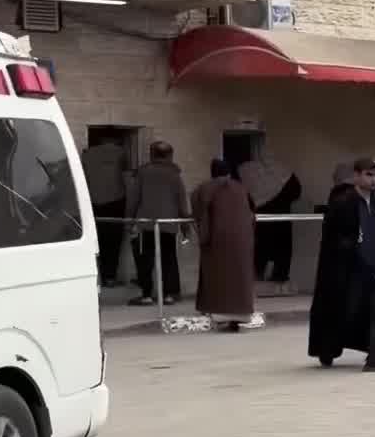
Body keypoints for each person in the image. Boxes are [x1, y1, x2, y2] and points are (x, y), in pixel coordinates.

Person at [308, 157, 375, 372]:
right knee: (345, 311)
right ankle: (328, 349)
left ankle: (374, 357)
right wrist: (350, 248)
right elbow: (333, 237)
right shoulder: (343, 202)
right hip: (353, 270)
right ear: (357, 175)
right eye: (368, 175)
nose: (373, 180)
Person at [191, 158, 258, 333]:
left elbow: (197, 210)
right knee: (240, 277)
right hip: (243, 239)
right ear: (228, 173)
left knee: (218, 277)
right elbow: (253, 210)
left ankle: (220, 315)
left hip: (217, 239)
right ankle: (239, 316)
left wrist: (202, 234)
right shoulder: (241, 188)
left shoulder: (204, 188)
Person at [126, 140, 190, 306]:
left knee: (144, 259)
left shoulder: (143, 173)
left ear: (152, 154)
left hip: (145, 223)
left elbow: (133, 199)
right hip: (169, 224)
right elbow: (182, 203)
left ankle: (146, 295)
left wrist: (129, 222)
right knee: (169, 258)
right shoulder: (175, 174)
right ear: (170, 155)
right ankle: (169, 294)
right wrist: (185, 228)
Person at [239, 153, 302, 295]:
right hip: (281, 220)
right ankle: (279, 278)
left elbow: (247, 199)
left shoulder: (247, 173)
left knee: (261, 250)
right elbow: (296, 192)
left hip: (263, 221)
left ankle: (258, 277)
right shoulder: (284, 174)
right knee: (282, 251)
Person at [82, 132, 130, 288]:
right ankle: (110, 277)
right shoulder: (121, 152)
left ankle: (96, 276)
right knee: (114, 240)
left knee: (97, 240)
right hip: (116, 202)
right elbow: (127, 177)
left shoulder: (87, 154)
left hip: (93, 202)